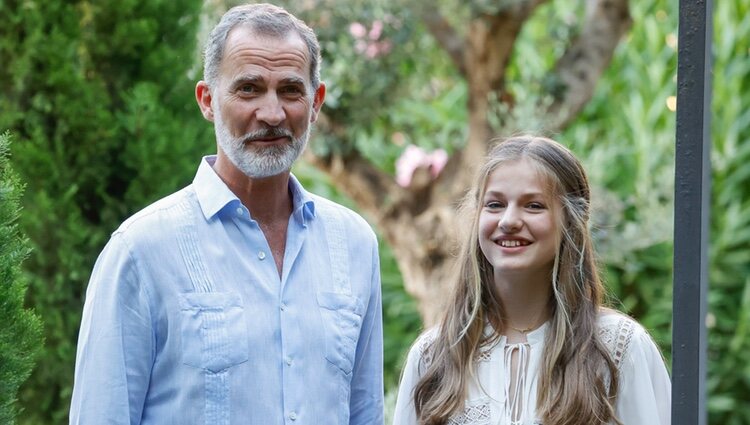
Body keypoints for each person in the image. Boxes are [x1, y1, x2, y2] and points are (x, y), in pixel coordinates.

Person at [69, 4, 383, 424]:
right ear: (208, 100)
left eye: (290, 90)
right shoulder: (141, 251)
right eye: (249, 89)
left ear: (316, 103)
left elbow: (365, 413)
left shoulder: (354, 244)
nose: (272, 114)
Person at [393, 135, 670, 425]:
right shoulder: (433, 357)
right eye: (495, 205)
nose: (508, 220)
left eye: (534, 206)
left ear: (571, 221)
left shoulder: (618, 349)